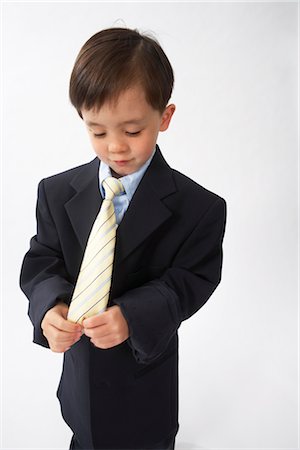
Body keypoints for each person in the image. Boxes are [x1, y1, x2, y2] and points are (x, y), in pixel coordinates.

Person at [20, 27, 226, 450]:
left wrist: (133, 315)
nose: (115, 146)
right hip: (80, 384)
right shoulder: (55, 192)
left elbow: (192, 279)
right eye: (98, 131)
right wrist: (48, 307)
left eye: (132, 131)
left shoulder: (199, 207)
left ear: (164, 118)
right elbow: (42, 259)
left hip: (145, 384)